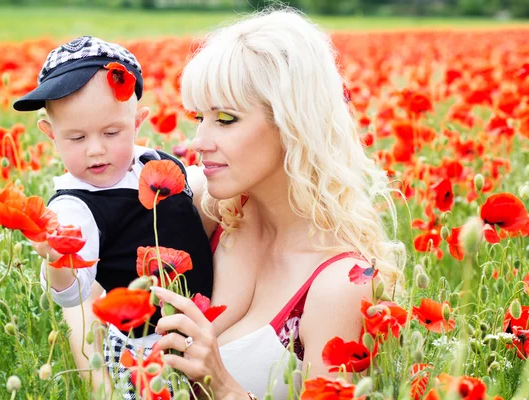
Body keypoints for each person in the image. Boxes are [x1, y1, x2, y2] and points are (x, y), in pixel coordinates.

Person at [151, 9, 405, 398]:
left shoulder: (339, 284)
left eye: (225, 119)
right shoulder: (213, 208)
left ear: (292, 123)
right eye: (200, 117)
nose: (198, 140)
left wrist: (220, 385)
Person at [12, 36, 214, 396]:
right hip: (142, 349)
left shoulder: (155, 161)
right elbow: (73, 295)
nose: (95, 149)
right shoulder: (73, 206)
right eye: (76, 138)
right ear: (50, 135)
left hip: (202, 326)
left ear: (137, 122)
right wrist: (58, 261)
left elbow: (198, 201)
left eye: (111, 132)